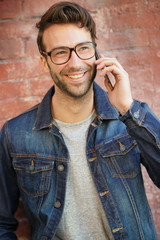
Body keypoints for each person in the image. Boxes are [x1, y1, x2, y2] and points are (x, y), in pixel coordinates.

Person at [0, 1, 160, 240]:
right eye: (61, 52)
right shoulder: (15, 135)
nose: (75, 63)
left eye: (83, 48)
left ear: (95, 52)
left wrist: (127, 109)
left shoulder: (129, 120)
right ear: (44, 61)